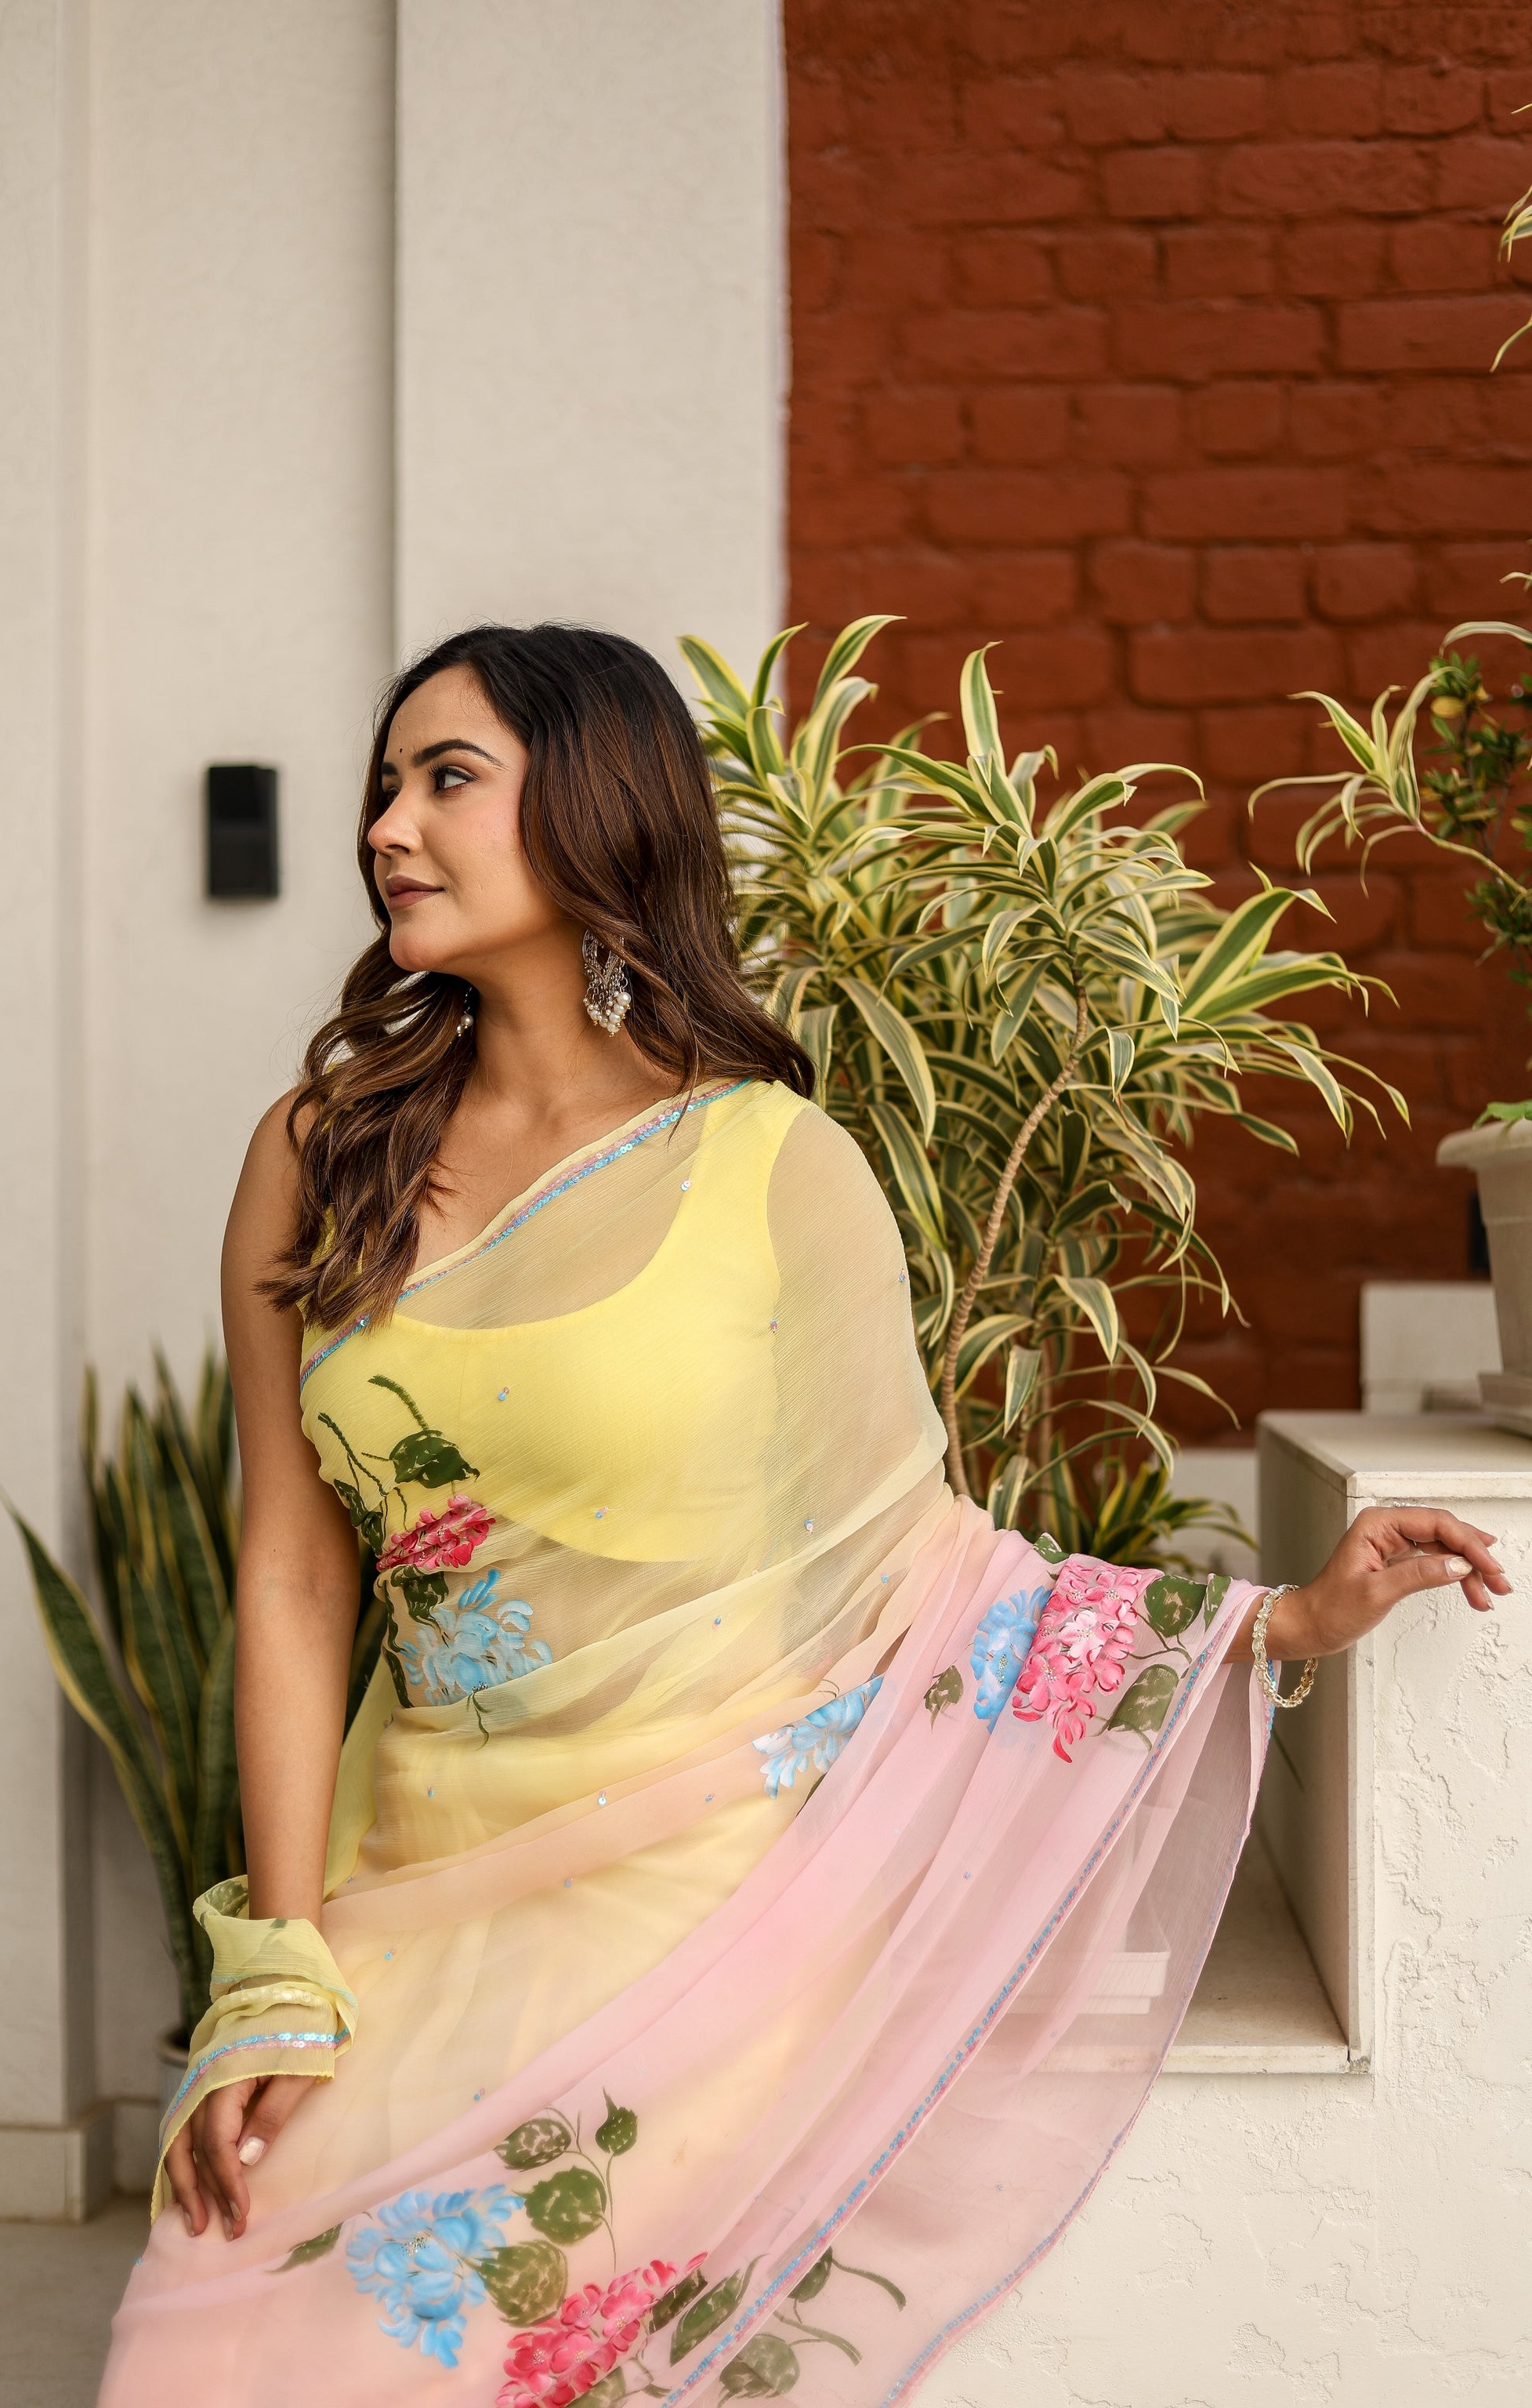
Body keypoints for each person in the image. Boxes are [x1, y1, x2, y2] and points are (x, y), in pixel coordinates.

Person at [100, 625, 1509, 2407]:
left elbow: (918, 1563)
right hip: (409, 1863)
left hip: (701, 1890)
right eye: (386, 785)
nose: (389, 825)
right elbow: (294, 1577)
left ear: (599, 806)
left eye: (448, 779)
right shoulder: (323, 1150)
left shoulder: (771, 1165)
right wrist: (276, 1971)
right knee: (210, 2336)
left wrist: (1268, 1625)